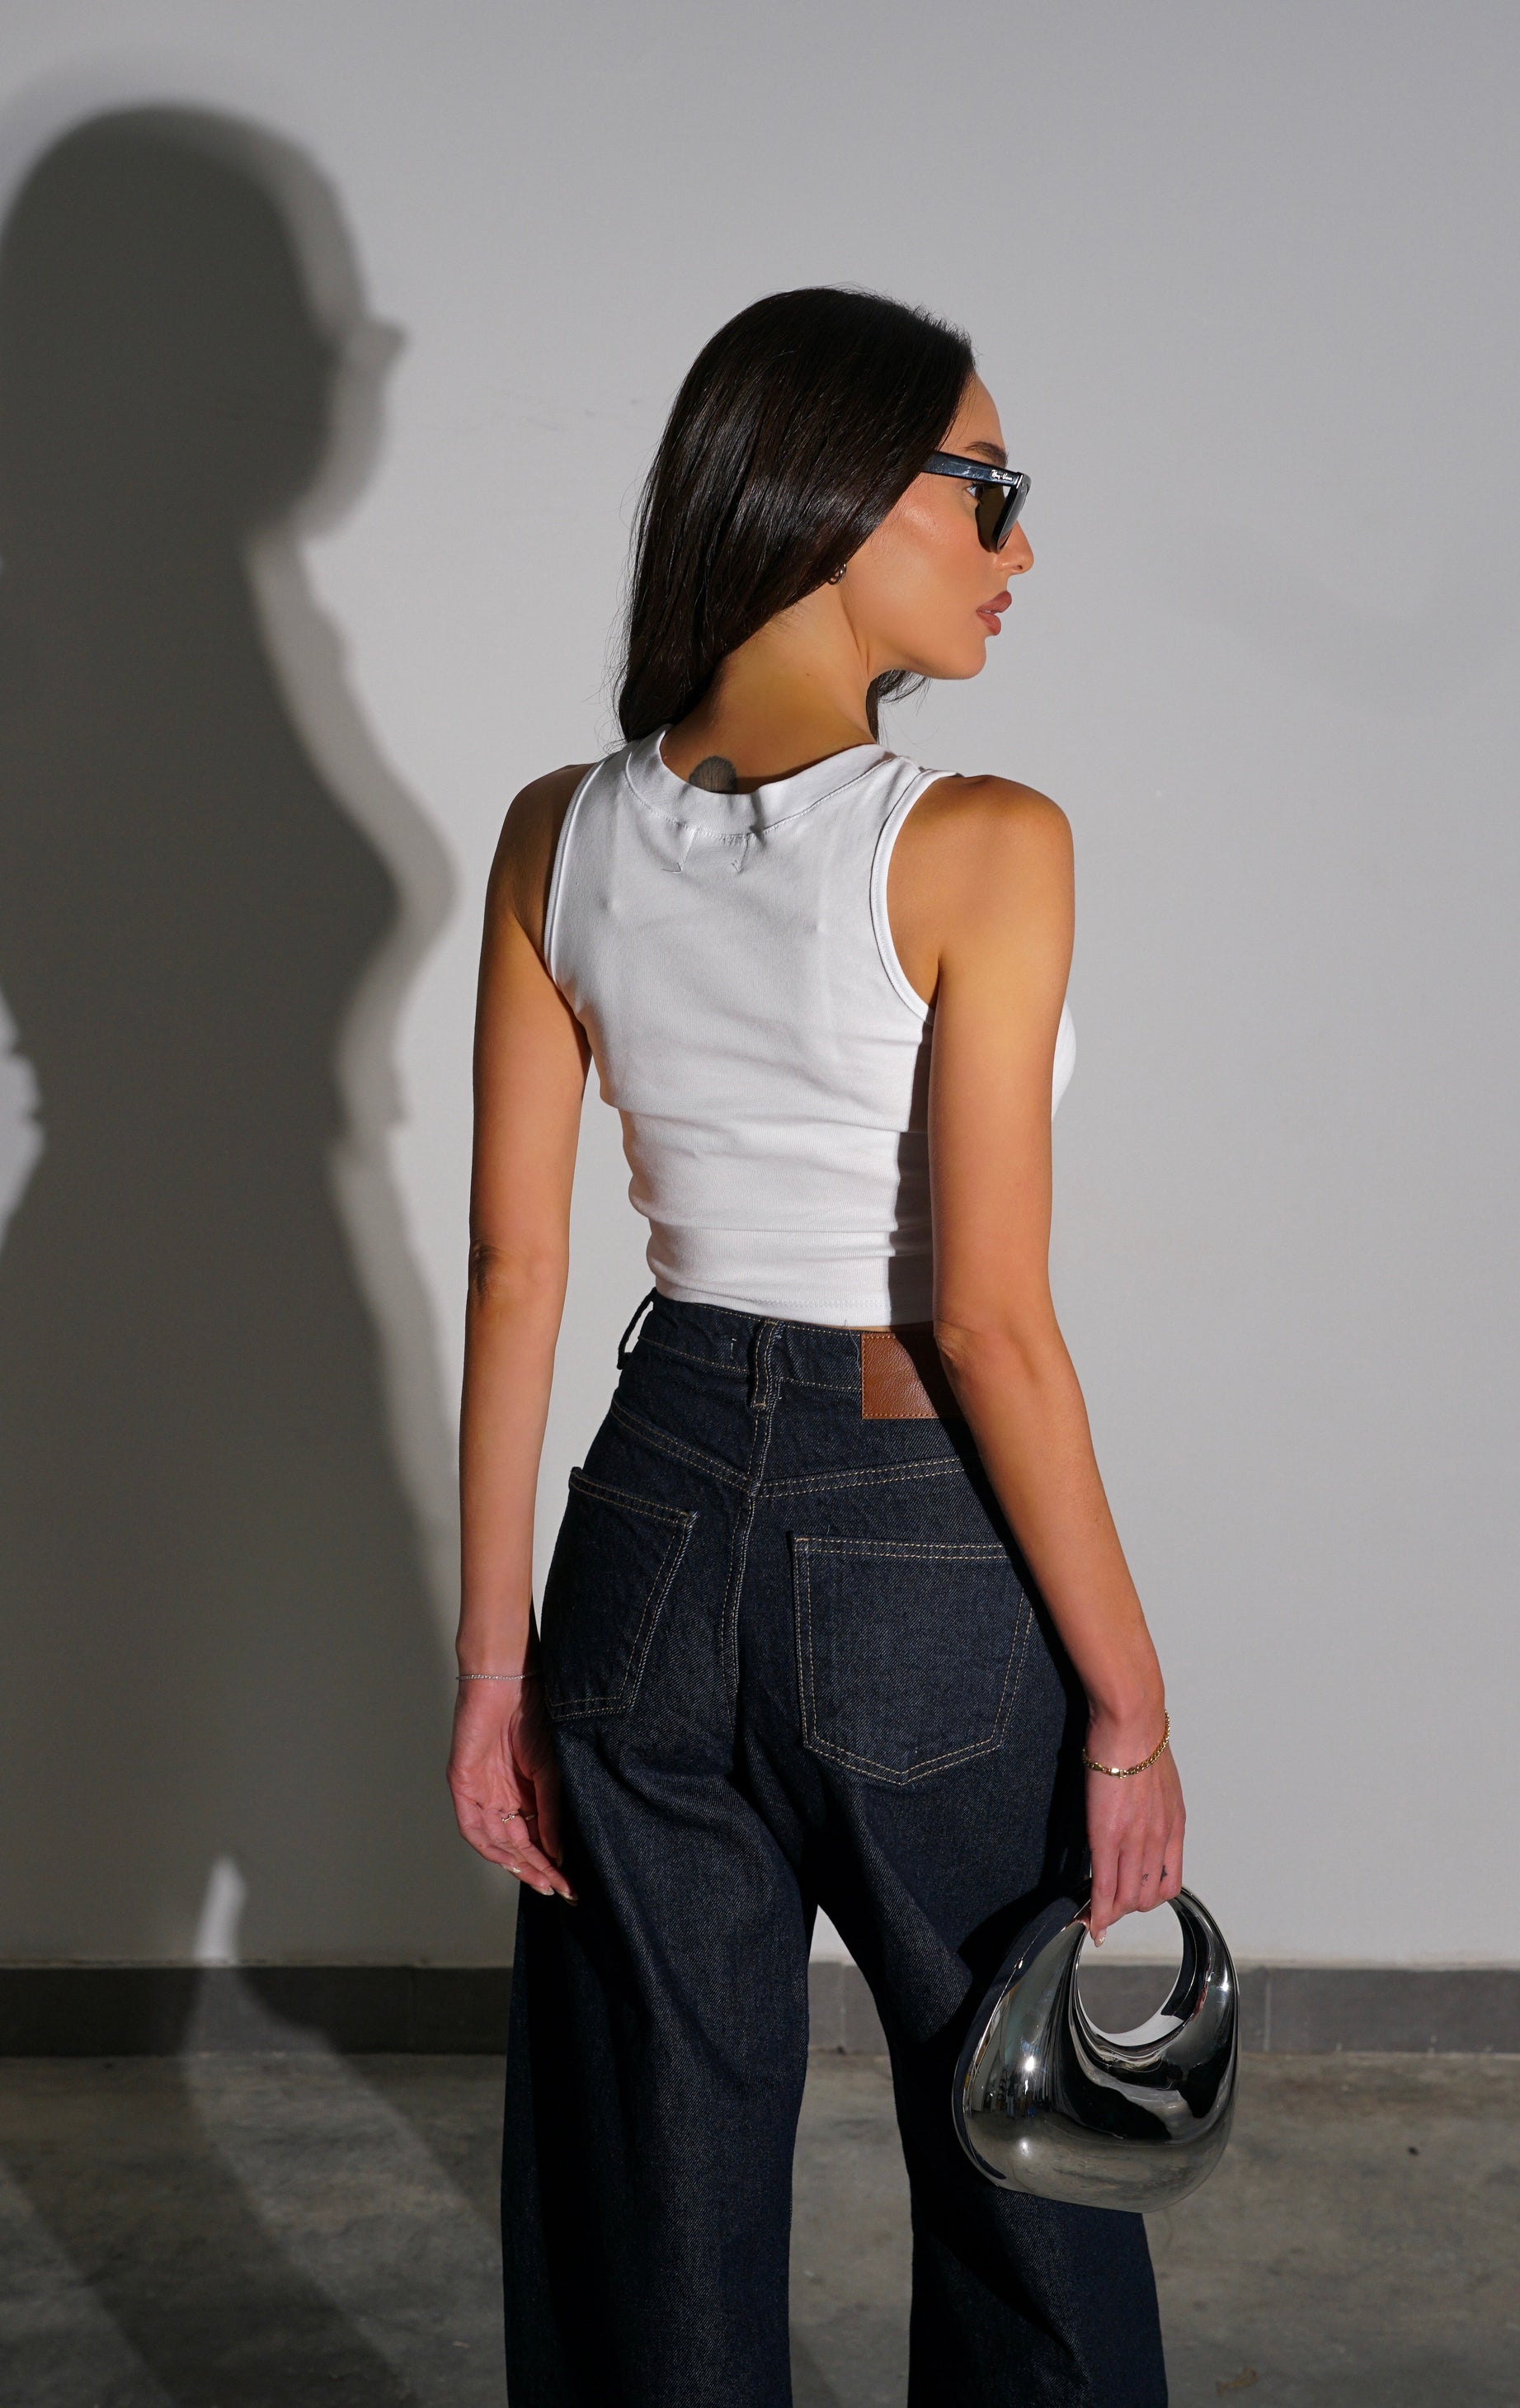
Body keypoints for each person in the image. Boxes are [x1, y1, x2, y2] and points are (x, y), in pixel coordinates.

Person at [450, 285, 1184, 2406]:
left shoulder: (557, 829)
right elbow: (985, 1317)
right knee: (1030, 2159)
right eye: (988, 488)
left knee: (649, 2180)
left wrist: (495, 1666)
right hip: (912, 1533)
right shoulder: (982, 843)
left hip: (646, 1529)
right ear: (841, 488)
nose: (1020, 544)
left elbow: (514, 1269)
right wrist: (1129, 1702)